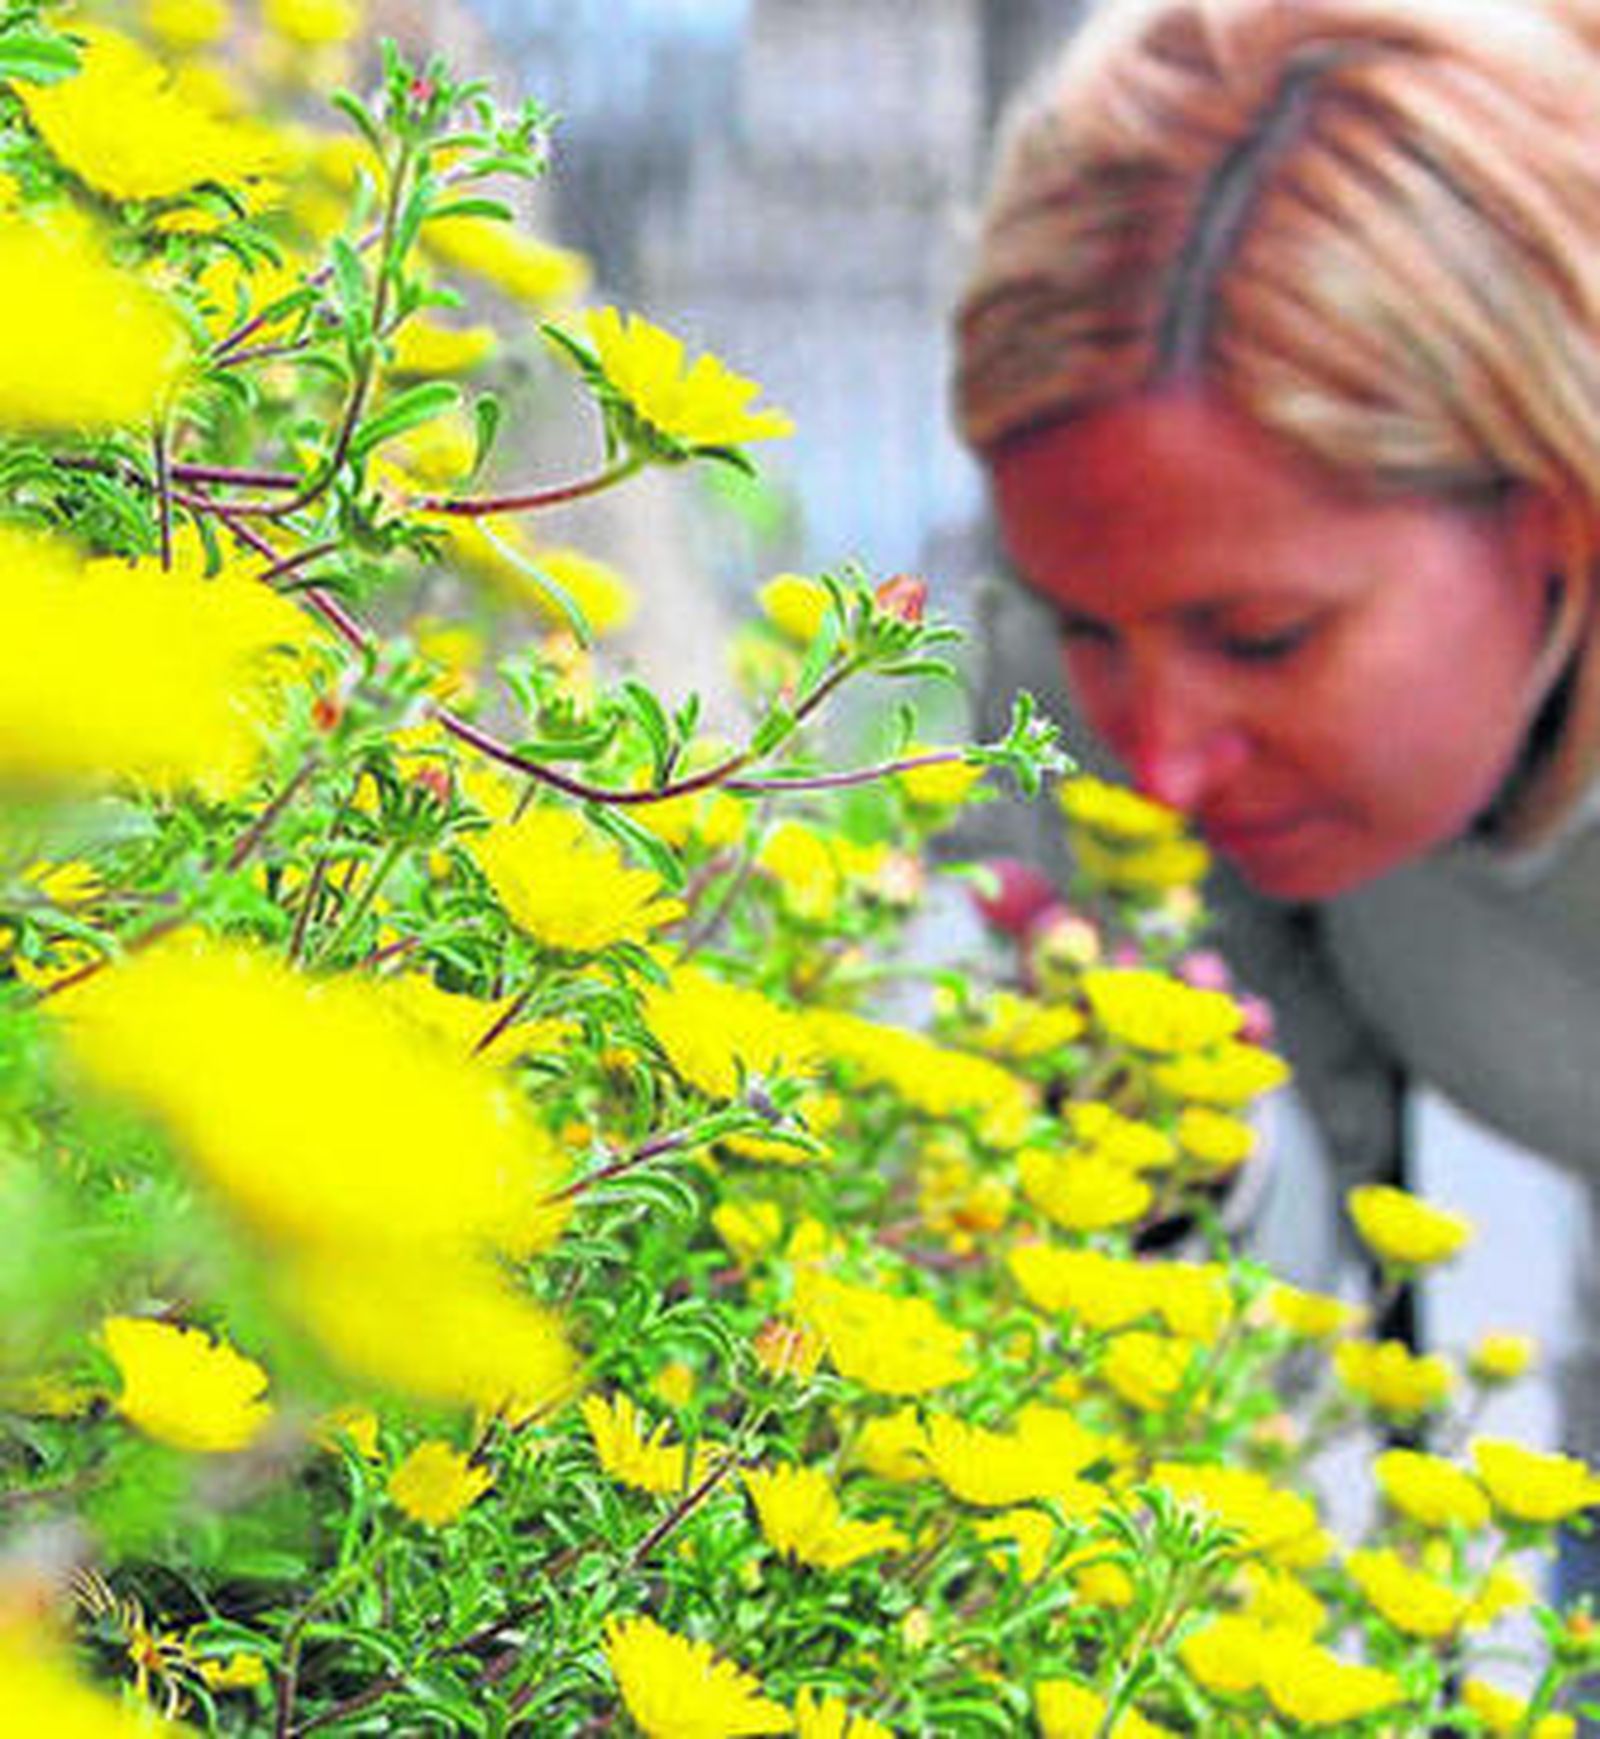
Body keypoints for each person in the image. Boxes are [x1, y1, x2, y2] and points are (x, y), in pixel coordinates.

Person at [953, 0, 1600, 1500]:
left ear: (1552, 505)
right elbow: (1262, 1320)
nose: (1161, 767)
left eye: (1263, 639)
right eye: (1090, 625)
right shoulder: (1126, 598)